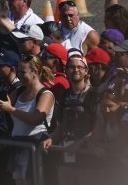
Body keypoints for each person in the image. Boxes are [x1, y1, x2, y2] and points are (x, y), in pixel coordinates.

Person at [0, 55, 55, 185]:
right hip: (18, 144)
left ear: (36, 73)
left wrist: (10, 109)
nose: (19, 75)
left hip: (34, 146)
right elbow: (3, 106)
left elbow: (36, 119)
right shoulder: (19, 90)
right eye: (18, 71)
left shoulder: (46, 94)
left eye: (23, 72)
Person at [40, 51, 99, 183]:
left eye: (80, 67)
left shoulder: (94, 95)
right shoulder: (65, 94)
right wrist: (51, 139)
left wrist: (80, 143)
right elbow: (60, 126)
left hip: (88, 154)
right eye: (71, 67)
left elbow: (98, 128)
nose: (75, 70)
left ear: (86, 71)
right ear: (66, 70)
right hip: (67, 152)